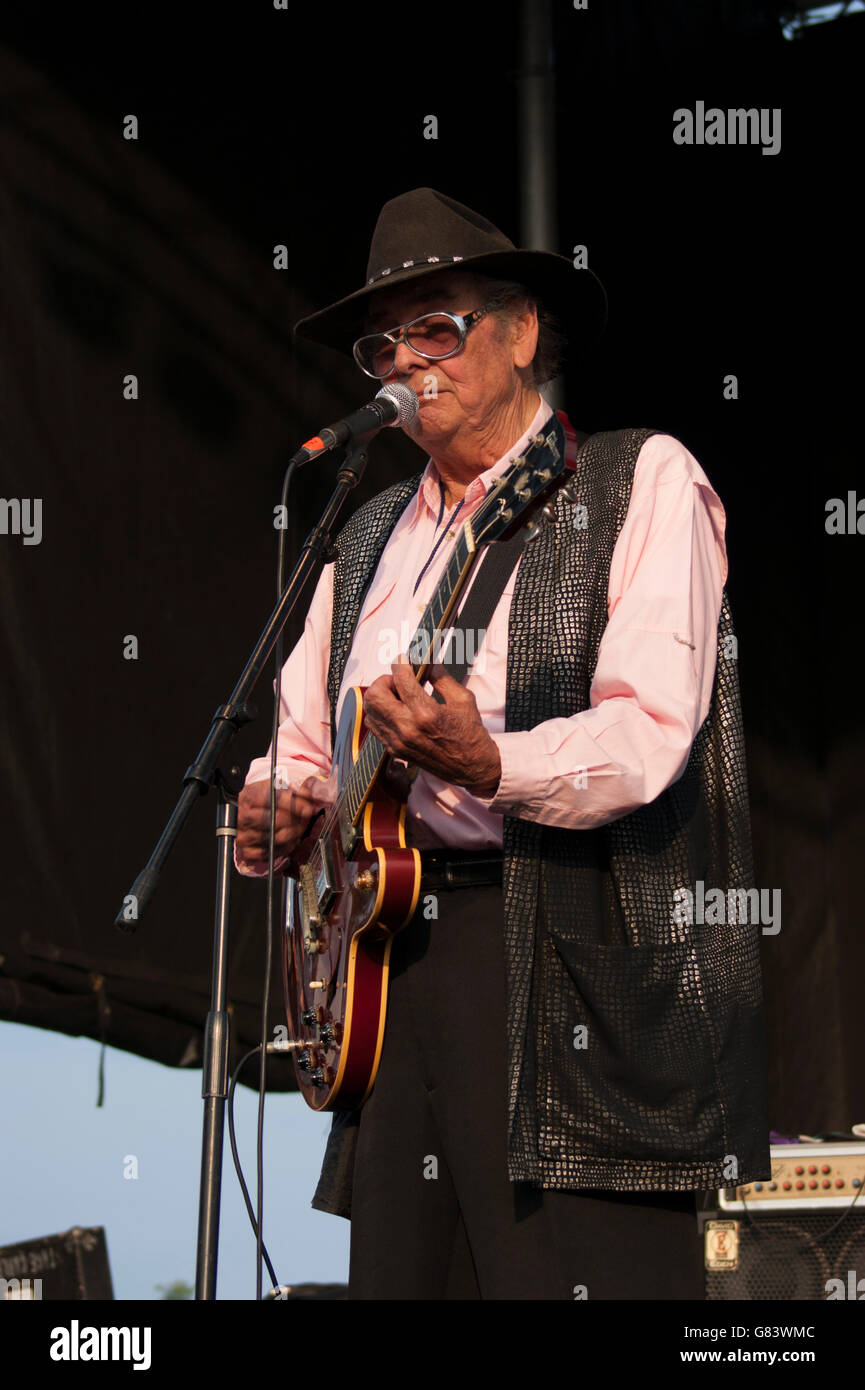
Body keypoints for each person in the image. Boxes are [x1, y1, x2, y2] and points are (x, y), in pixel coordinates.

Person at [235, 187, 770, 1300]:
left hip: (567, 968)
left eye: (437, 325)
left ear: (522, 330)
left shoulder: (635, 480)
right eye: (382, 344)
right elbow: (301, 739)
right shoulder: (366, 535)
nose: (406, 360)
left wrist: (489, 761)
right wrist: (277, 802)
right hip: (389, 977)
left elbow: (648, 733)